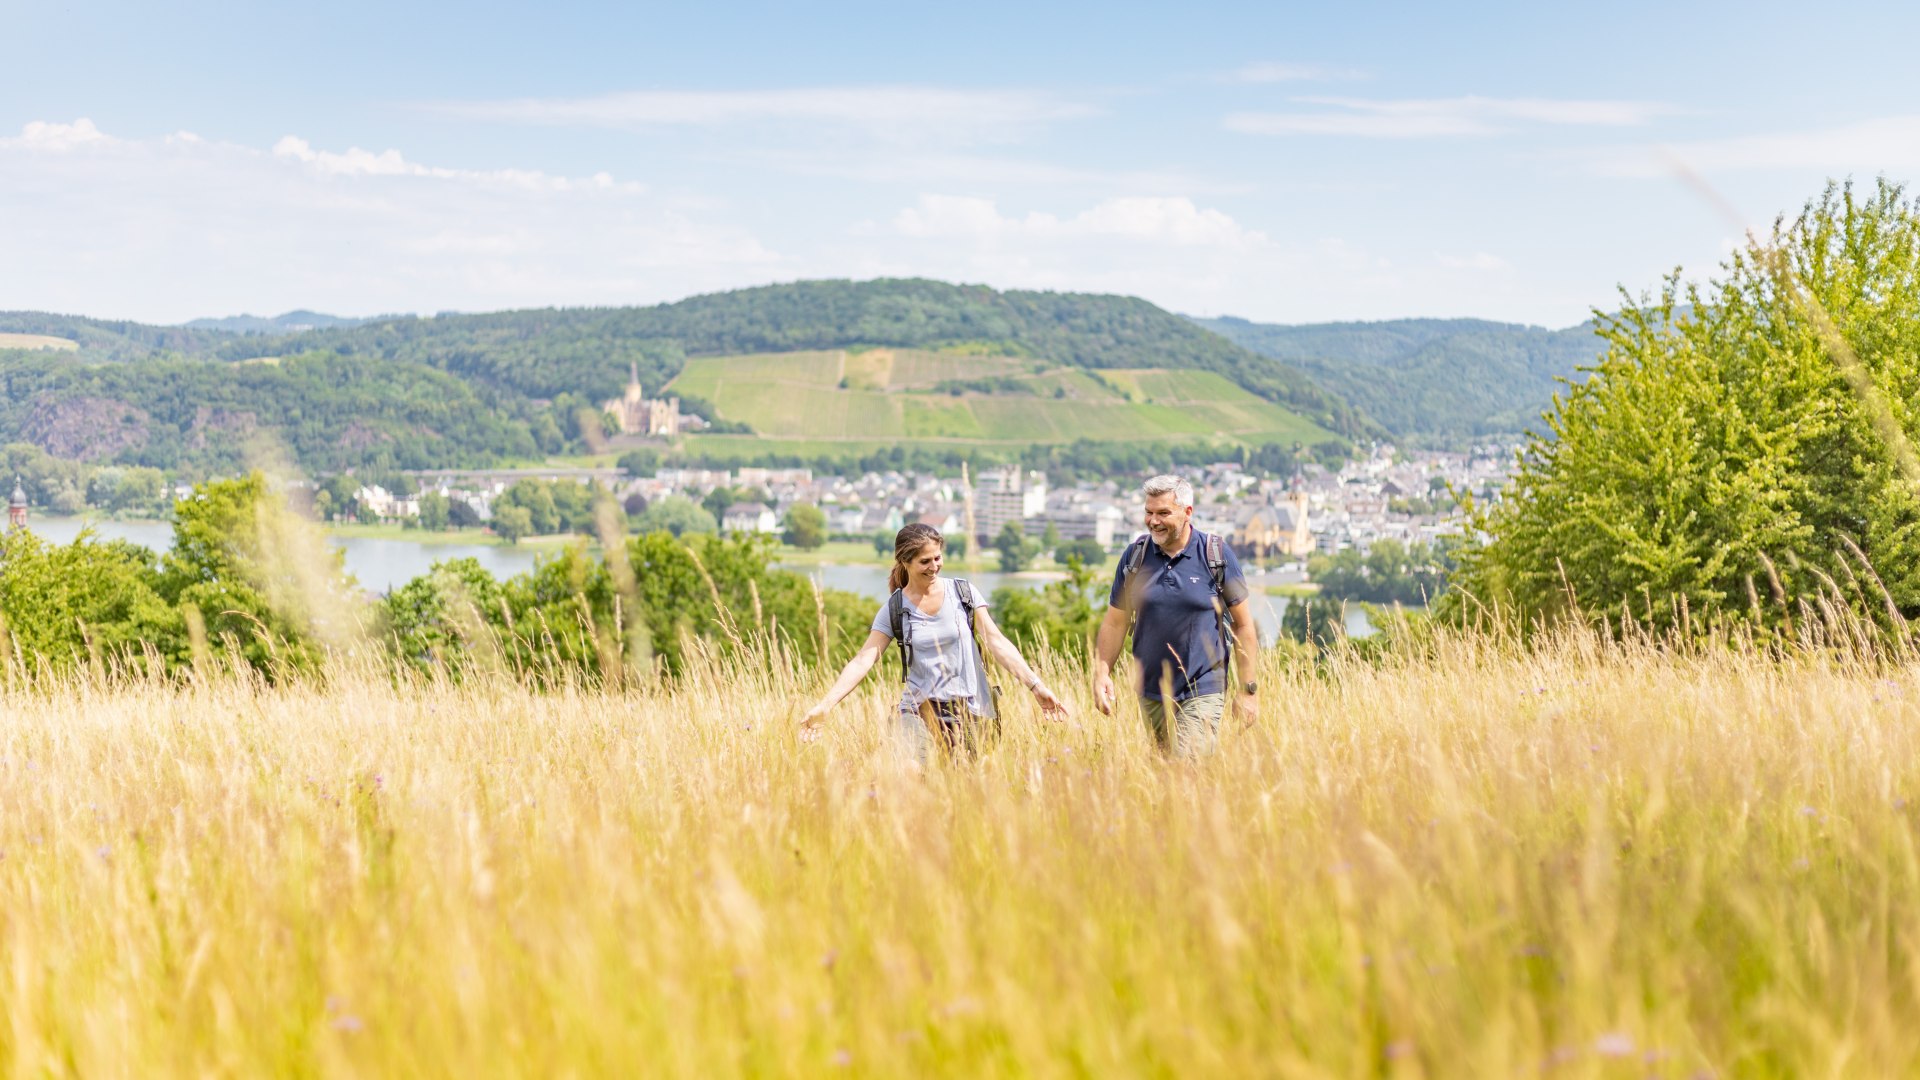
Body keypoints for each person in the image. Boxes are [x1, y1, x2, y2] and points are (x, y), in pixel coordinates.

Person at [800, 522, 1067, 761]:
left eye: (937, 558)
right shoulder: (895, 609)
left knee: (962, 790)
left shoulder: (962, 593)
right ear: (905, 561)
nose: (934, 566)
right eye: (925, 561)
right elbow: (863, 660)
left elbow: (997, 642)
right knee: (909, 773)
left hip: (971, 710)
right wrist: (826, 705)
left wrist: (1036, 686)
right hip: (919, 709)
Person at [1091, 474, 1259, 758]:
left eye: (1163, 513)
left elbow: (1243, 626)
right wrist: (1101, 672)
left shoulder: (1215, 555)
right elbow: (1115, 622)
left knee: (1185, 772)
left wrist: (1248, 690)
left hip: (1202, 689)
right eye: (1149, 512)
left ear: (1187, 513)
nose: (1153, 521)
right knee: (1163, 778)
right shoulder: (1135, 557)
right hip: (1150, 693)